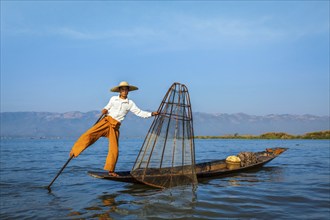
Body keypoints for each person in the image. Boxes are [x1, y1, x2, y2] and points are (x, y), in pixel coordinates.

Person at [69, 81, 159, 177]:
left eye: (126, 90)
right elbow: (107, 107)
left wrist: (151, 114)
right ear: (119, 91)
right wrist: (104, 109)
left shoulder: (130, 103)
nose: (124, 91)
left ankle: (111, 170)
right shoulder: (113, 99)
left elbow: (139, 113)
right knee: (89, 134)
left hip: (115, 126)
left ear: (128, 91)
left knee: (114, 149)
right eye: (122, 89)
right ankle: (74, 151)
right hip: (106, 122)